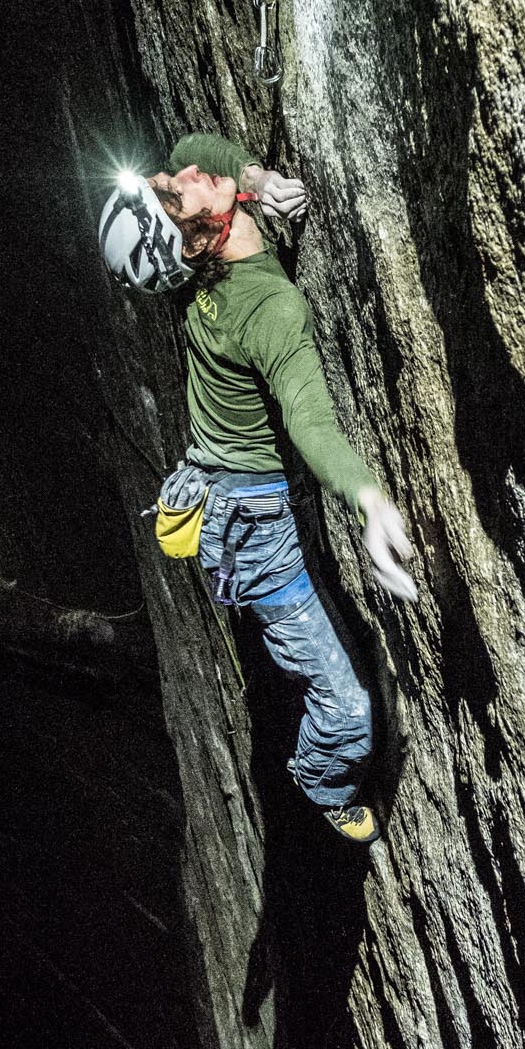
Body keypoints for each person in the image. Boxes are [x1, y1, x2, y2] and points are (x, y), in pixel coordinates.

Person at [98, 133, 417, 844]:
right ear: (196, 239)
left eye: (168, 178)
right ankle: (324, 785)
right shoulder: (269, 309)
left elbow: (194, 144)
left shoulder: (199, 262)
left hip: (221, 492)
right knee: (347, 710)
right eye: (175, 190)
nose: (184, 170)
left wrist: (254, 176)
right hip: (255, 530)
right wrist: (368, 499)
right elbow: (309, 422)